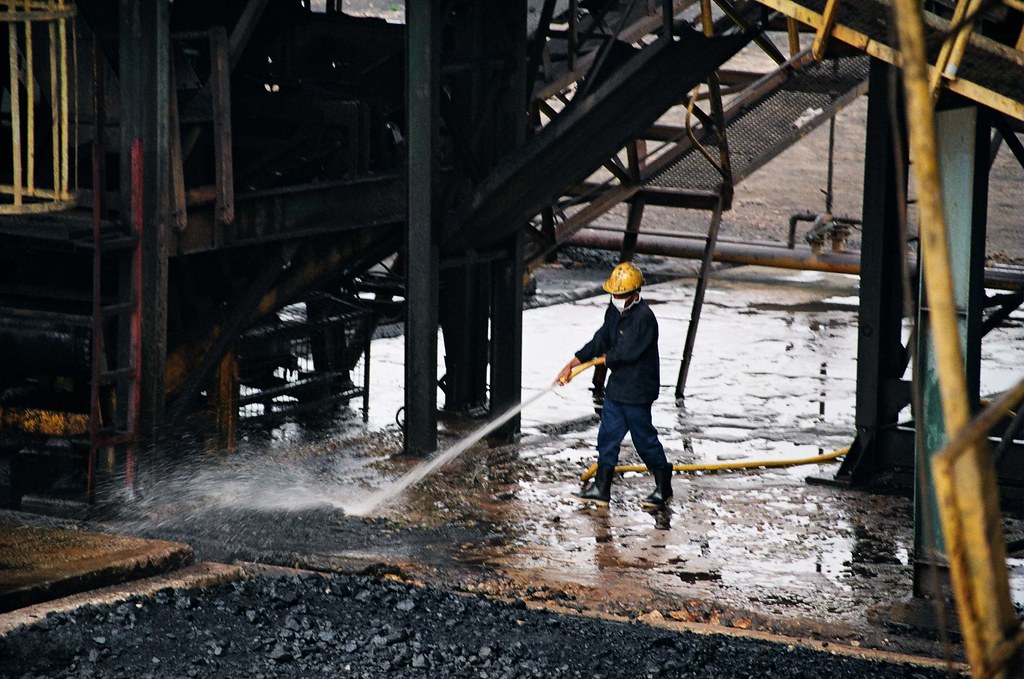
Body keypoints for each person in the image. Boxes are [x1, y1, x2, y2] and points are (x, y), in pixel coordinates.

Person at [556, 262, 672, 508]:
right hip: (617, 389)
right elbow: (601, 339)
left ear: (635, 294)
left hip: (638, 391)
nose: (616, 299)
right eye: (614, 294)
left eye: (621, 295)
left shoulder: (644, 318)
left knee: (644, 440)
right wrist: (573, 362)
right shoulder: (613, 311)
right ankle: (601, 488)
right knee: (607, 437)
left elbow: (627, 352)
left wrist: (606, 358)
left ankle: (663, 488)